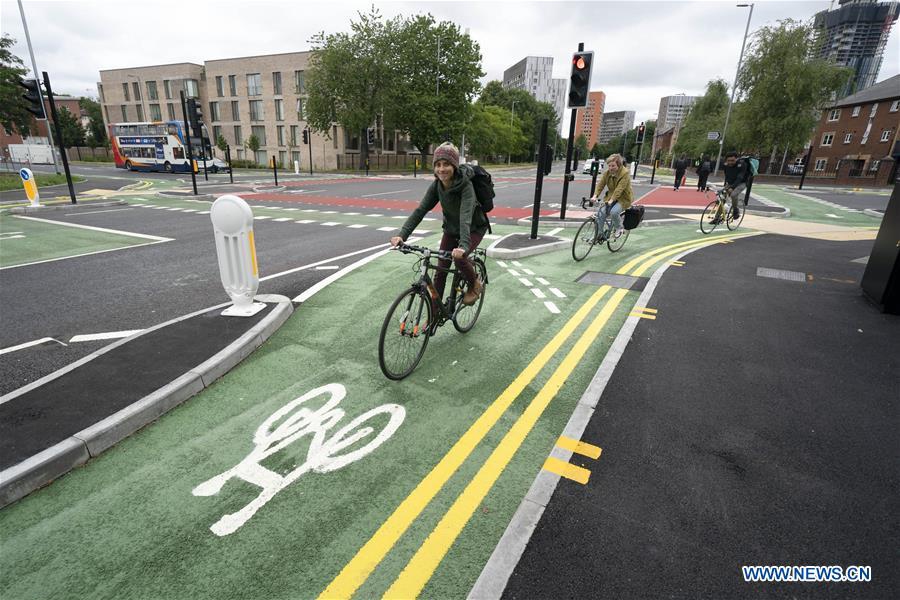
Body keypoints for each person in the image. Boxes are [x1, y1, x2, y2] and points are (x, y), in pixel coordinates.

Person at [390, 142, 488, 307]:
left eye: (446, 164)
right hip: (450, 229)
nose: (442, 169)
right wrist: (402, 235)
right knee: (440, 271)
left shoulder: (466, 186)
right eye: (438, 165)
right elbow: (420, 210)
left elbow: (465, 218)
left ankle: (475, 284)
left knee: (459, 260)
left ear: (454, 166)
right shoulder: (437, 186)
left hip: (474, 229)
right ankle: (435, 315)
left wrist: (463, 247)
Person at [588, 153, 633, 240]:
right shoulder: (607, 173)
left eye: (613, 166)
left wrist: (612, 200)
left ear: (619, 165)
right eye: (609, 166)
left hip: (623, 198)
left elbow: (619, 189)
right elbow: (601, 184)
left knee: (614, 212)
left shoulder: (625, 173)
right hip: (610, 197)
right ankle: (599, 234)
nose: (610, 168)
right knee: (601, 213)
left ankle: (619, 228)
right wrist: (595, 196)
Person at [716, 151, 750, 223]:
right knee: (722, 197)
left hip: (742, 183)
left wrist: (733, 187)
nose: (730, 162)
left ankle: (735, 210)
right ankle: (717, 217)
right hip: (731, 183)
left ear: (736, 159)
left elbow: (740, 177)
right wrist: (726, 185)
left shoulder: (742, 164)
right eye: (728, 161)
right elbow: (727, 176)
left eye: (732, 160)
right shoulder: (726, 165)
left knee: (733, 194)